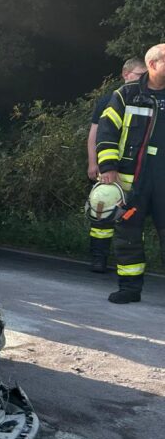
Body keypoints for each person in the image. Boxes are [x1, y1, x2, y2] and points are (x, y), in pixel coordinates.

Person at [95, 44, 165, 304]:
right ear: (153, 64)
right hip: (132, 180)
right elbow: (106, 132)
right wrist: (108, 167)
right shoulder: (127, 94)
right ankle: (129, 288)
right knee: (127, 235)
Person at [87, 58, 147, 272]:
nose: (144, 79)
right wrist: (95, 163)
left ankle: (127, 262)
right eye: (140, 75)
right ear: (126, 74)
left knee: (131, 218)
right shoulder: (112, 99)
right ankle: (98, 257)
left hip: (138, 173)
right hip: (112, 167)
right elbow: (97, 133)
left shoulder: (149, 99)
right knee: (102, 211)